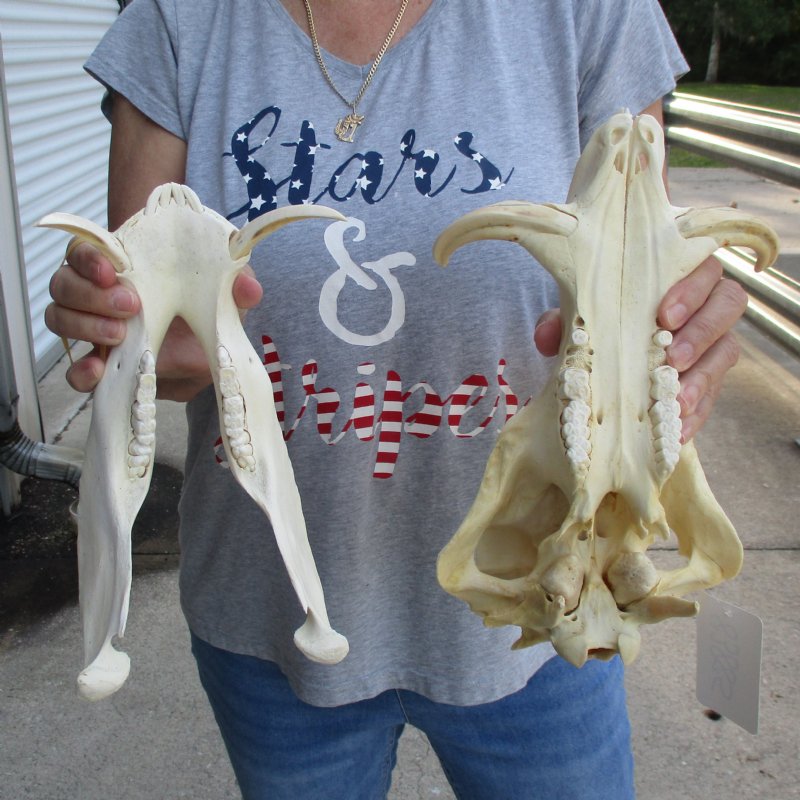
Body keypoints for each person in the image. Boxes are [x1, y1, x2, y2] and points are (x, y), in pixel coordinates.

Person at [46, 1, 748, 797]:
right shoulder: (179, 17)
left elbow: (644, 264)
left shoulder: (590, 12)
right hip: (270, 617)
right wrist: (124, 329)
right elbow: (158, 345)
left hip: (551, 595)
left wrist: (682, 330)